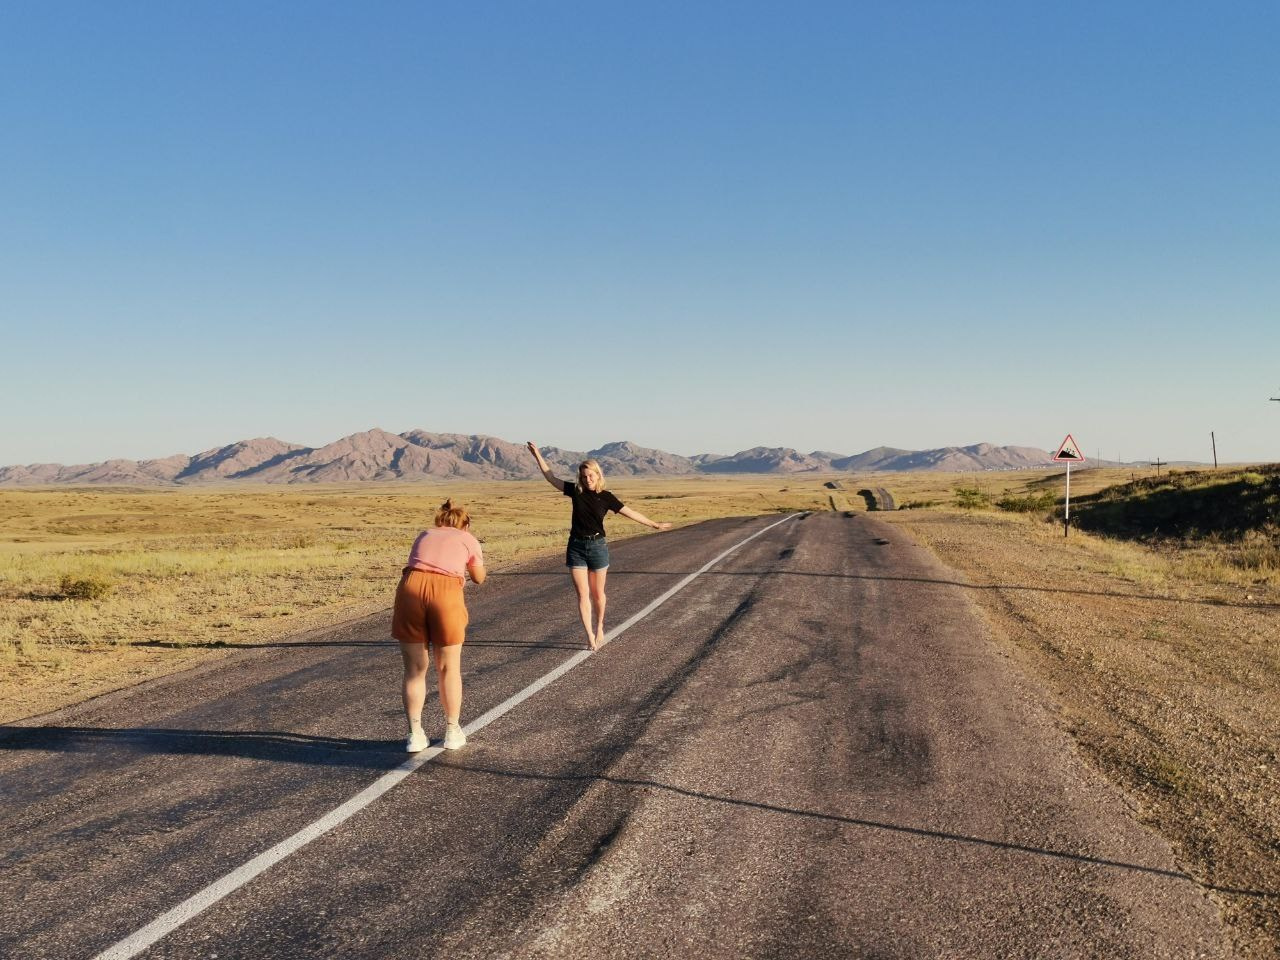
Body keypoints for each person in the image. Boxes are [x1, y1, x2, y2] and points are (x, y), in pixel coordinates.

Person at [526, 441, 671, 649]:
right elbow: (551, 477)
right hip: (576, 547)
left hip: (597, 548)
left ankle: (600, 625)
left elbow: (630, 513)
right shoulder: (576, 491)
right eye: (584, 477)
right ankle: (589, 635)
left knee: (598, 594)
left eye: (590, 476)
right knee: (582, 595)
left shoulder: (606, 497)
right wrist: (537, 455)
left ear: (598, 475)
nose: (587, 480)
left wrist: (655, 524)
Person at [391, 498, 486, 753]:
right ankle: (452, 730)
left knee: (414, 670)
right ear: (465, 524)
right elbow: (479, 578)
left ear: (440, 520)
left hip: (411, 586)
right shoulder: (468, 538)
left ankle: (414, 733)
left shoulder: (425, 534)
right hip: (445, 590)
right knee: (448, 667)